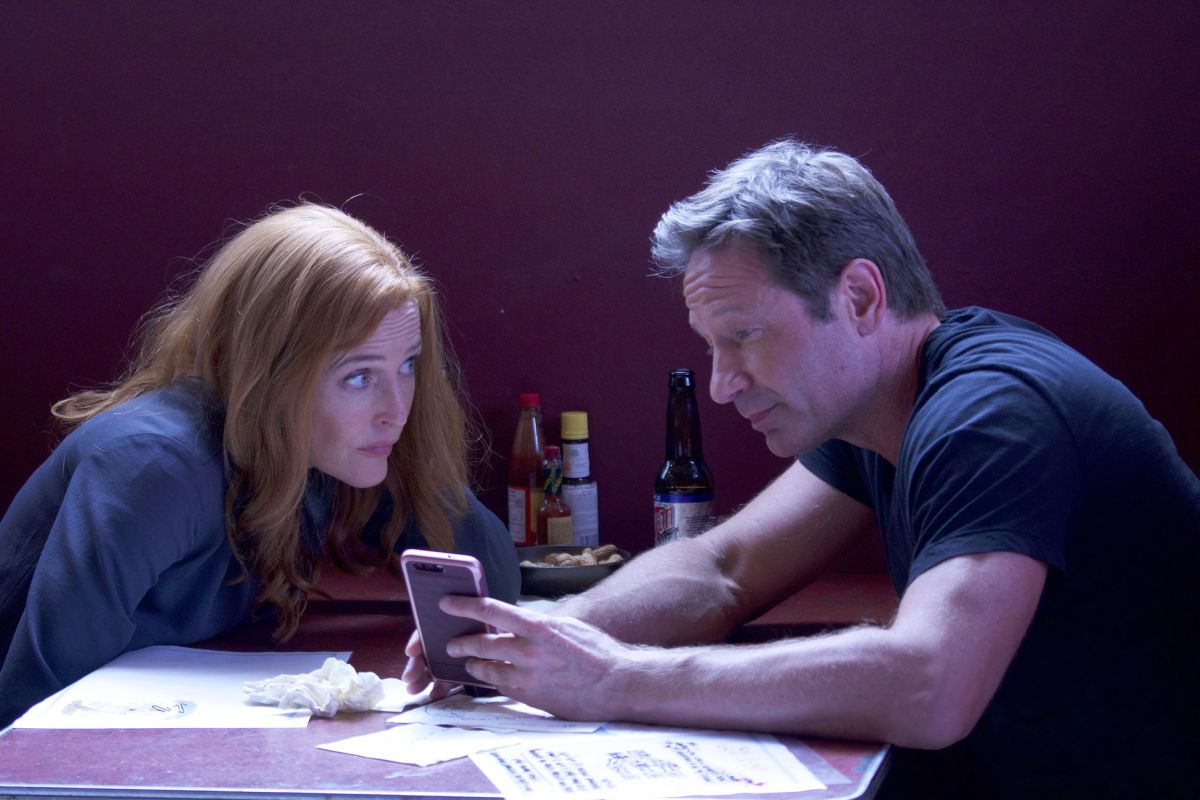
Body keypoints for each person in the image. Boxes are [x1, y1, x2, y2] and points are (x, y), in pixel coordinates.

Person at [403, 140, 1200, 798]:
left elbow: (930, 683)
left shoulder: (991, 414)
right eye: (712, 346)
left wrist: (616, 679)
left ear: (859, 299)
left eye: (744, 335)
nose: (722, 384)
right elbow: (723, 569)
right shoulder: (877, 407)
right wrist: (540, 637)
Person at [0, 203, 519, 728]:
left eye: (408, 365)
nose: (397, 409)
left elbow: (497, 585)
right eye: (359, 376)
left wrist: (414, 461)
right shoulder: (153, 466)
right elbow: (35, 717)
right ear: (270, 372)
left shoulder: (311, 447)